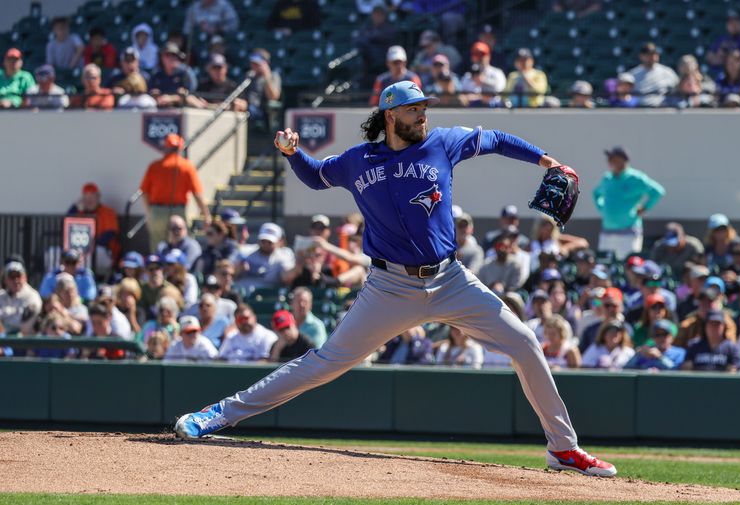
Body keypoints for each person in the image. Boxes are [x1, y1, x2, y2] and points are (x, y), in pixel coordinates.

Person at [175, 80, 617, 477]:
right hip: (389, 287)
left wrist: (545, 159)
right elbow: (316, 177)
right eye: (413, 109)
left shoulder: (443, 142)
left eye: (424, 108)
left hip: (450, 280)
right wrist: (293, 154)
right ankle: (216, 415)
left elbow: (496, 139)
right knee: (324, 363)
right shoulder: (357, 160)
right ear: (391, 115)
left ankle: (564, 449)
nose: (423, 115)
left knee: (523, 341)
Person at [139, 133, 211, 248]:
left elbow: (144, 192)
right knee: (181, 245)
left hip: (157, 212)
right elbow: (197, 195)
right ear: (180, 148)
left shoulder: (155, 166)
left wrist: (149, 213)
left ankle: (157, 266)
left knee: (158, 247)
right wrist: (206, 215)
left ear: (165, 148)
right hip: (179, 212)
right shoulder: (187, 166)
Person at [593, 146, 665, 260]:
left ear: (623, 159)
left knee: (628, 264)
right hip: (607, 232)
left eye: (613, 158)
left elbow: (658, 191)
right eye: (609, 159)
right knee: (604, 264)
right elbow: (596, 193)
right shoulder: (607, 178)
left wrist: (645, 208)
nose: (610, 161)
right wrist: (602, 207)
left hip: (628, 233)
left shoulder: (636, 178)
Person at [66, 182, 120, 275]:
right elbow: (66, 224)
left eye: (92, 196)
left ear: (98, 197)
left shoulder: (108, 212)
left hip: (103, 251)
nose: (89, 200)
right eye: (86, 197)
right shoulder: (79, 212)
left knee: (97, 252)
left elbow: (110, 234)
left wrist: (89, 246)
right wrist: (75, 207)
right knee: (54, 252)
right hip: (79, 250)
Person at [237, 222, 295, 289]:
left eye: (270, 242)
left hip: (269, 295)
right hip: (242, 294)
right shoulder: (245, 251)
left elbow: (286, 278)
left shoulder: (284, 255)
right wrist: (239, 269)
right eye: (263, 241)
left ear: (279, 241)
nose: (266, 244)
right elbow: (230, 273)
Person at [353, 3, 398, 90]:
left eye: (380, 14)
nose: (377, 16)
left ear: (384, 16)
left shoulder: (389, 29)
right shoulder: (368, 28)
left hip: (383, 65)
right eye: (375, 14)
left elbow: (379, 37)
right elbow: (358, 39)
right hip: (368, 65)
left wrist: (369, 39)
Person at [625, 42, 678, 108]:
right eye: (648, 54)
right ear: (641, 56)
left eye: (654, 54)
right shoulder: (633, 74)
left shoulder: (667, 72)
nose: (652, 57)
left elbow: (677, 89)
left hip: (660, 109)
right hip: (639, 110)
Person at [149, 43, 201, 108]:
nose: (171, 58)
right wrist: (155, 96)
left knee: (191, 100)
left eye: (174, 55)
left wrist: (171, 98)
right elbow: (151, 92)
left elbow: (190, 93)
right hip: (159, 106)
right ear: (161, 57)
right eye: (168, 55)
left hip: (182, 106)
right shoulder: (156, 74)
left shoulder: (185, 71)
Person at [0, 261, 42, 335]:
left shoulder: (32, 295)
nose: (16, 280)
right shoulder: (1, 295)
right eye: (12, 277)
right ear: (5, 280)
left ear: (25, 277)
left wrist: (4, 315)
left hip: (24, 340)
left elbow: (22, 323)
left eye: (18, 276)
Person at [705, 9, 740, 75]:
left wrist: (727, 59)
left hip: (735, 75)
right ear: (727, 25)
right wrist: (721, 56)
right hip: (717, 72)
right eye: (731, 23)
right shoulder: (721, 38)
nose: (734, 26)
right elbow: (709, 56)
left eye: (736, 23)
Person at [246, 49, 282, 120]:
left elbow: (273, 97)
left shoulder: (273, 76)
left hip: (263, 111)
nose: (253, 66)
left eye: (257, 64)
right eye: (252, 63)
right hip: (248, 107)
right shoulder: (249, 76)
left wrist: (266, 76)